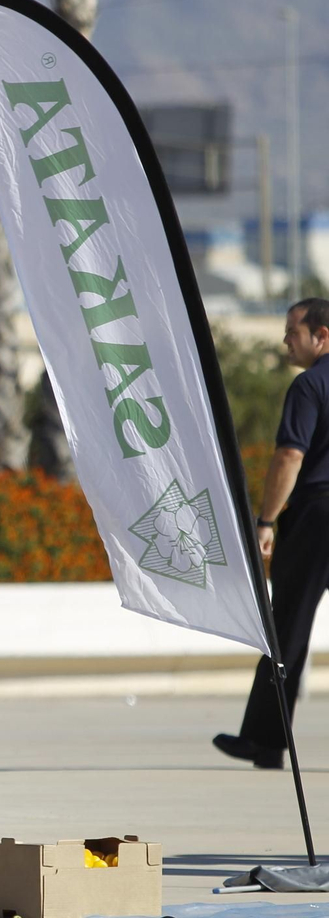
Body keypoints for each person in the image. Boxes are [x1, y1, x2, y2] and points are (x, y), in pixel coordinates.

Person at [216, 298, 329, 770]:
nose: (286, 341)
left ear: (321, 336)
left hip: (316, 516)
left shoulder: (309, 386)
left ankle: (264, 741)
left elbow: (289, 456)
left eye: (292, 332)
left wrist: (266, 520)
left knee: (287, 627)